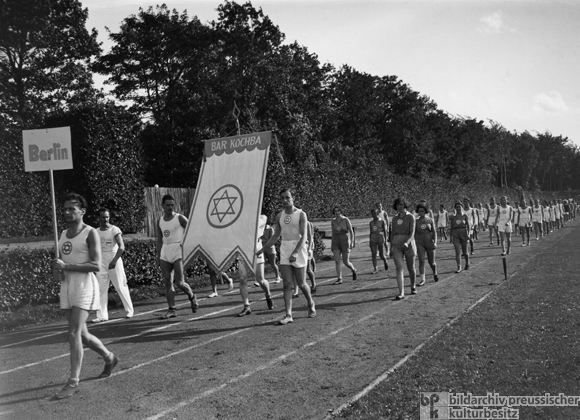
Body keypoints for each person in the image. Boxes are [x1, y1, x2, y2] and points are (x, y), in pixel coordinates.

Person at [52, 193, 118, 399]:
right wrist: (57, 270)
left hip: (85, 287)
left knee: (72, 333)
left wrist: (67, 266)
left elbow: (96, 265)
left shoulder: (90, 233)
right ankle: (109, 357)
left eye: (72, 208)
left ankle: (73, 381)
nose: (67, 212)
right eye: (64, 208)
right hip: (67, 287)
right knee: (82, 335)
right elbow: (59, 268)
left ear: (82, 211)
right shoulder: (61, 234)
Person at [257, 188, 315, 325]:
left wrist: (295, 252)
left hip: (299, 249)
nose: (284, 200)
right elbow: (276, 235)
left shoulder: (301, 214)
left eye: (287, 197)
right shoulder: (279, 216)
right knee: (287, 283)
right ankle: (288, 314)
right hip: (285, 248)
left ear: (292, 198)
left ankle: (310, 302)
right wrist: (263, 248)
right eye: (282, 198)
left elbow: (304, 236)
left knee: (301, 283)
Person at [156, 194, 198, 319]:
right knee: (167, 282)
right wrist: (158, 255)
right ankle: (172, 309)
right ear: (162, 205)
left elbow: (192, 230)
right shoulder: (160, 221)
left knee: (180, 282)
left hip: (178, 251)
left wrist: (186, 245)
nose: (170, 207)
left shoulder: (180, 218)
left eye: (172, 205)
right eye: (167, 205)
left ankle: (192, 296)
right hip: (165, 251)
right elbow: (159, 240)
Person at [92, 208, 134, 323]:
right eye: (103, 217)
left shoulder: (114, 230)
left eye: (107, 217)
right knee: (101, 288)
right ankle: (101, 315)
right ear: (98, 218)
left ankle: (129, 310)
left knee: (120, 285)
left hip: (114, 258)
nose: (105, 219)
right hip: (101, 260)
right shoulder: (95, 231)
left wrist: (114, 261)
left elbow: (121, 247)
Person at [237, 215, 274, 316]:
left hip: (256, 250)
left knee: (260, 280)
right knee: (242, 278)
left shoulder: (262, 217)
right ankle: (246, 306)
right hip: (243, 250)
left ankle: (268, 295)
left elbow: (259, 223)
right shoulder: (240, 217)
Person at [389, 197, 416, 300]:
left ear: (405, 205)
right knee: (399, 267)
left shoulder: (411, 217)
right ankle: (401, 292)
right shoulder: (395, 219)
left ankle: (413, 286)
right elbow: (392, 234)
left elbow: (412, 233)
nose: (399, 207)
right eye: (397, 205)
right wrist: (390, 247)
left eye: (401, 205)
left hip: (408, 244)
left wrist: (407, 242)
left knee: (411, 268)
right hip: (397, 244)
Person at [330, 206, 357, 284]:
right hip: (335, 240)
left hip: (344, 240)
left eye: (338, 211)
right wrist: (332, 244)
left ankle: (353, 269)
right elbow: (332, 233)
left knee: (346, 261)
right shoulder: (333, 221)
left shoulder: (345, 219)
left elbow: (351, 231)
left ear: (341, 212)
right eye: (335, 211)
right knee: (337, 261)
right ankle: (339, 278)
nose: (337, 213)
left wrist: (352, 242)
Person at [415, 203, 438, 284]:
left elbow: (434, 232)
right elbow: (414, 233)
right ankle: (422, 279)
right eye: (419, 211)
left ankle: (435, 273)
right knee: (421, 261)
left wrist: (435, 242)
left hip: (429, 242)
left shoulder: (430, 220)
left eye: (422, 211)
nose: (420, 212)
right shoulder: (416, 221)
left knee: (431, 262)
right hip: (420, 242)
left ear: (425, 211)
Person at [449, 201, 470, 273]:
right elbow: (451, 227)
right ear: (455, 208)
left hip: (463, 232)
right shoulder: (453, 217)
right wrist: (451, 236)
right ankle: (459, 267)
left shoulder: (465, 216)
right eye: (457, 207)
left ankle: (467, 263)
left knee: (465, 252)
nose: (458, 208)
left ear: (462, 207)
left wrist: (469, 234)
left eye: (459, 207)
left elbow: (468, 225)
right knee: (457, 251)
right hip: (455, 234)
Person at [369, 208, 389, 274]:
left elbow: (385, 232)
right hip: (373, 238)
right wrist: (370, 240)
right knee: (373, 254)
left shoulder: (382, 221)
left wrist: (386, 241)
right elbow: (370, 232)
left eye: (374, 213)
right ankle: (375, 268)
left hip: (380, 237)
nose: (373, 215)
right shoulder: (371, 222)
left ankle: (385, 260)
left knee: (381, 255)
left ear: (377, 213)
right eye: (372, 214)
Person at [305, 221, 317, 293]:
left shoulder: (308, 223)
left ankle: (313, 284)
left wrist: (310, 247)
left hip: (306, 245)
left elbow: (311, 236)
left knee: (308, 269)